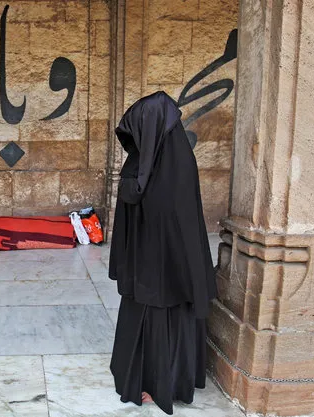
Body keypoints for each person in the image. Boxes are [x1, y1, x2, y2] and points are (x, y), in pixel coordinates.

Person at [108, 91, 217, 415]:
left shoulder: (176, 165)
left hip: (168, 273)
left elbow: (173, 218)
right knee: (148, 309)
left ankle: (159, 383)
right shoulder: (145, 162)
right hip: (146, 270)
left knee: (165, 313)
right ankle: (145, 377)